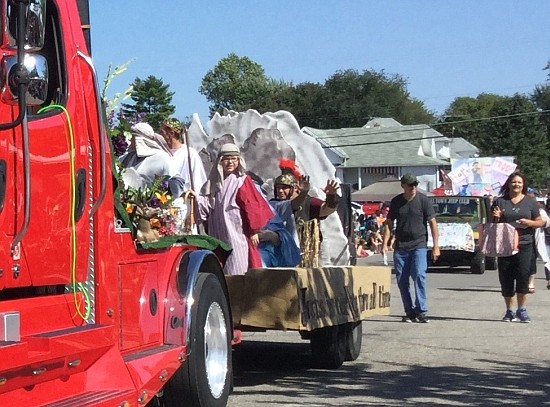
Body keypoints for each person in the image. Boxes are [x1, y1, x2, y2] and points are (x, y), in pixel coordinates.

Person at [195, 143, 296, 275]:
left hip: (236, 232)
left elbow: (252, 206)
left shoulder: (242, 181)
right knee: (219, 267)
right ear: (220, 161)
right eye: (226, 159)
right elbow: (205, 205)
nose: (230, 162)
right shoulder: (213, 182)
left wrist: (254, 230)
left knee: (236, 266)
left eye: (234, 158)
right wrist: (195, 199)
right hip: (218, 231)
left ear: (238, 160)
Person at [382, 173, 440, 323]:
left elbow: (433, 223)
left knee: (419, 275)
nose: (413, 187)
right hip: (401, 246)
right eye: (410, 184)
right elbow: (389, 223)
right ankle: (409, 311)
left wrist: (436, 246)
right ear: (403, 186)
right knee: (402, 280)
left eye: (415, 184)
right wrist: (385, 243)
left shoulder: (423, 200)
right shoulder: (396, 201)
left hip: (419, 245)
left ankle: (421, 310)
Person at [491, 171, 544, 323]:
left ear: (523, 185)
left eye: (519, 182)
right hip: (505, 245)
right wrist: (497, 216)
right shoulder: (500, 201)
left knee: (522, 277)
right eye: (514, 182)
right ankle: (509, 311)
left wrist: (530, 223)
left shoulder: (530, 202)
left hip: (525, 244)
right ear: (508, 184)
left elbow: (540, 221)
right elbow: (492, 223)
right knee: (506, 278)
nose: (516, 185)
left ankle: (522, 310)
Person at [119, 122, 177, 189]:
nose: (130, 139)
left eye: (133, 137)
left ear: (138, 139)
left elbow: (175, 182)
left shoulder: (162, 158)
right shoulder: (128, 157)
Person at [159, 118, 207, 192]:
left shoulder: (189, 154)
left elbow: (198, 180)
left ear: (171, 133)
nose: (159, 136)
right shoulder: (161, 154)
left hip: (185, 200)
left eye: (161, 132)